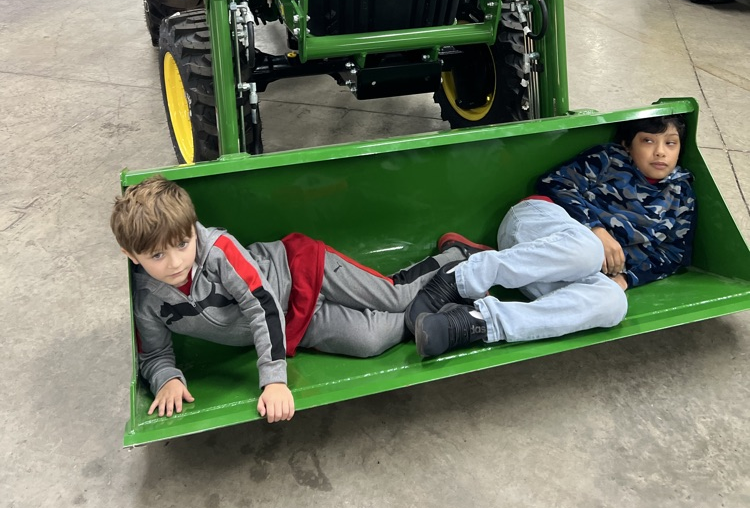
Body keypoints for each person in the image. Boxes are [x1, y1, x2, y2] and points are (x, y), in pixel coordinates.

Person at [111, 176, 467, 421]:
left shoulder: (218, 250)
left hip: (302, 271)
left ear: (192, 229)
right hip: (295, 322)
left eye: (182, 244)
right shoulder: (147, 298)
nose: (175, 262)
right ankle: (443, 299)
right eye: (157, 256)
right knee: (370, 341)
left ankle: (454, 256)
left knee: (394, 295)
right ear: (131, 255)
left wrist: (274, 380)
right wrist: (167, 379)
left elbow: (260, 304)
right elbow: (155, 354)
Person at [405, 115, 695, 359]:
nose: (660, 152)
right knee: (589, 249)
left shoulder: (681, 194)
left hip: (561, 269)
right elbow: (555, 183)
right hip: (537, 223)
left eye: (670, 144)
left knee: (613, 304)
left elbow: (672, 254)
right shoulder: (609, 159)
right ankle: (460, 278)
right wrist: (596, 228)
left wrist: (626, 278)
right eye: (648, 140)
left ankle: (475, 323)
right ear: (627, 144)